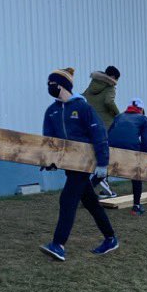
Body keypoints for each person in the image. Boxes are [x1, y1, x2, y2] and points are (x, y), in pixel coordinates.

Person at [39, 68, 118, 261]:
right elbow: (50, 140)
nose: (50, 88)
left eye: (53, 84)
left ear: (63, 86)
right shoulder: (52, 111)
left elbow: (99, 134)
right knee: (91, 203)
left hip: (84, 164)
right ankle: (110, 238)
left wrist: (102, 163)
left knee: (67, 200)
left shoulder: (83, 108)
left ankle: (58, 244)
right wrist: (49, 161)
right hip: (69, 165)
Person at [107, 98, 147, 215]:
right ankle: (136, 206)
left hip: (111, 149)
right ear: (141, 109)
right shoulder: (143, 118)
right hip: (131, 150)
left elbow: (109, 133)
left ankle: (83, 196)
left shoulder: (119, 117)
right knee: (137, 175)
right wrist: (142, 154)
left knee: (102, 172)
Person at [82, 65, 121, 198]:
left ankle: (95, 189)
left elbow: (83, 99)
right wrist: (118, 115)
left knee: (91, 157)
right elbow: (108, 102)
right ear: (113, 77)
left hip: (89, 124)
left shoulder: (92, 85)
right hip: (105, 125)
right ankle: (99, 190)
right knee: (104, 158)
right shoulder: (110, 87)